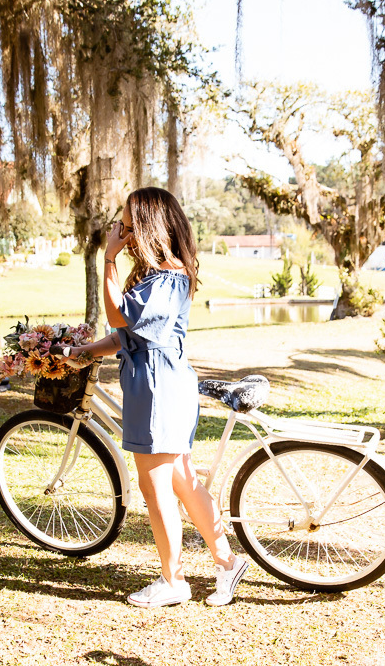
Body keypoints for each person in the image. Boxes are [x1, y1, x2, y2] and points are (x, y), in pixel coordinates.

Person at [63, 187, 248, 609]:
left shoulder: (167, 276)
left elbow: (117, 315)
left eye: (127, 226)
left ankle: (173, 581)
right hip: (159, 382)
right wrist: (85, 351)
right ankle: (227, 561)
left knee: (156, 486)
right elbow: (126, 334)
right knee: (181, 479)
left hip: (157, 387)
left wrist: (108, 259)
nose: (121, 233)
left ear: (149, 226)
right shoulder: (159, 276)